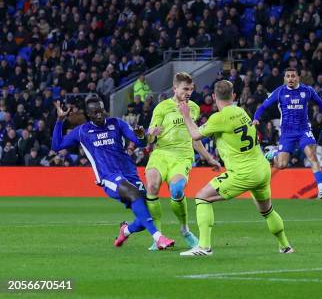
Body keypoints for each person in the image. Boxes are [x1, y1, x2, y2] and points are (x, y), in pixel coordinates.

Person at [178, 80, 293, 256]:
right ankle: (285, 246)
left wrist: (186, 115)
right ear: (233, 96)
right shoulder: (241, 112)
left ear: (214, 96)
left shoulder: (219, 117)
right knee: (267, 210)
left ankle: (204, 247)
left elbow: (194, 135)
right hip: (262, 169)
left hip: (243, 172)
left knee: (202, 198)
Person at [51, 98, 175, 250]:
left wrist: (142, 134)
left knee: (146, 215)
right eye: (95, 112)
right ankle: (159, 238)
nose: (100, 114)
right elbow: (57, 146)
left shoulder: (116, 123)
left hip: (129, 172)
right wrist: (60, 120)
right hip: (108, 176)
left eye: (101, 110)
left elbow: (140, 142)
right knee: (133, 193)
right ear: (89, 114)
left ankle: (126, 230)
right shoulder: (82, 131)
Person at [145, 72, 220, 251]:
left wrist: (209, 158)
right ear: (175, 88)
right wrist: (151, 135)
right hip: (161, 153)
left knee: (177, 189)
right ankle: (158, 236)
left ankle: (185, 230)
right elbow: (148, 138)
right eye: (185, 89)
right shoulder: (162, 107)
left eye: (191, 89)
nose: (189, 92)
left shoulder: (193, 108)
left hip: (182, 156)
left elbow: (195, 137)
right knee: (152, 187)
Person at [253, 68, 322, 199]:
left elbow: (321, 104)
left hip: (304, 130)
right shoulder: (279, 92)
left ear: (298, 78)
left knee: (312, 156)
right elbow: (263, 106)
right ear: (284, 79)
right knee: (282, 165)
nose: (290, 79)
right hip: (287, 133)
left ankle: (321, 188)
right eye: (288, 76)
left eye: (293, 76)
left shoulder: (307, 90)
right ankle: (273, 154)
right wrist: (256, 118)